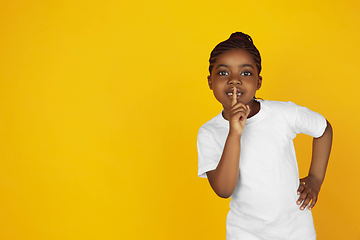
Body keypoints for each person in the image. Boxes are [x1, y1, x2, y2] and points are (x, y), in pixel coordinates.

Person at [197, 32, 333, 240]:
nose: (235, 81)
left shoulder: (283, 114)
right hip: (244, 233)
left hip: (295, 232)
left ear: (258, 82)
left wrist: (315, 179)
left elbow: (323, 129)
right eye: (224, 73)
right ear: (210, 81)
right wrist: (234, 133)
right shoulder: (209, 132)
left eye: (246, 73)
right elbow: (224, 190)